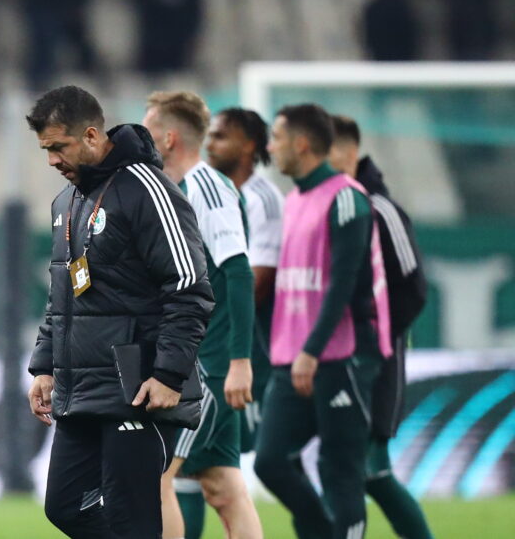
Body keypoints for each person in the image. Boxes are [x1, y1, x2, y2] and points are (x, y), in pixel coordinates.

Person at [25, 85, 213, 538]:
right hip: (81, 389)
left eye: (58, 147)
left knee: (133, 520)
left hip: (138, 388)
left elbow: (189, 287)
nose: (51, 160)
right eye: (45, 149)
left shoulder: (149, 190)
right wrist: (45, 366)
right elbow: (61, 295)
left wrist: (168, 373)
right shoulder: (67, 201)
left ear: (92, 135)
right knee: (66, 508)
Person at [255, 103, 392, 539]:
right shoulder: (294, 200)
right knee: (269, 462)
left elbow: (344, 283)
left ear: (301, 144)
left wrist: (312, 350)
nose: (270, 147)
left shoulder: (347, 197)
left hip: (338, 358)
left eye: (277, 138)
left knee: (340, 471)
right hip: (290, 361)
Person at [142, 93, 262, 539]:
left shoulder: (207, 188)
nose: (142, 138)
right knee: (223, 487)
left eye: (148, 130)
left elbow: (239, 271)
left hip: (209, 370)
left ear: (170, 138)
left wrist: (239, 362)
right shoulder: (179, 190)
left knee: (154, 478)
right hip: (203, 363)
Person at [328, 115, 433, 539]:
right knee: (359, 471)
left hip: (376, 362)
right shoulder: (323, 206)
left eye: (326, 151)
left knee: (366, 469)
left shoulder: (380, 209)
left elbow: (414, 287)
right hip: (332, 360)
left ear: (351, 153)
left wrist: (374, 341)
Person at [206, 107, 285, 458]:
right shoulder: (212, 194)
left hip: (251, 350)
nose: (210, 144)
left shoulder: (262, 200)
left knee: (256, 458)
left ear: (249, 145)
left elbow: (258, 285)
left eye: (220, 136)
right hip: (214, 343)